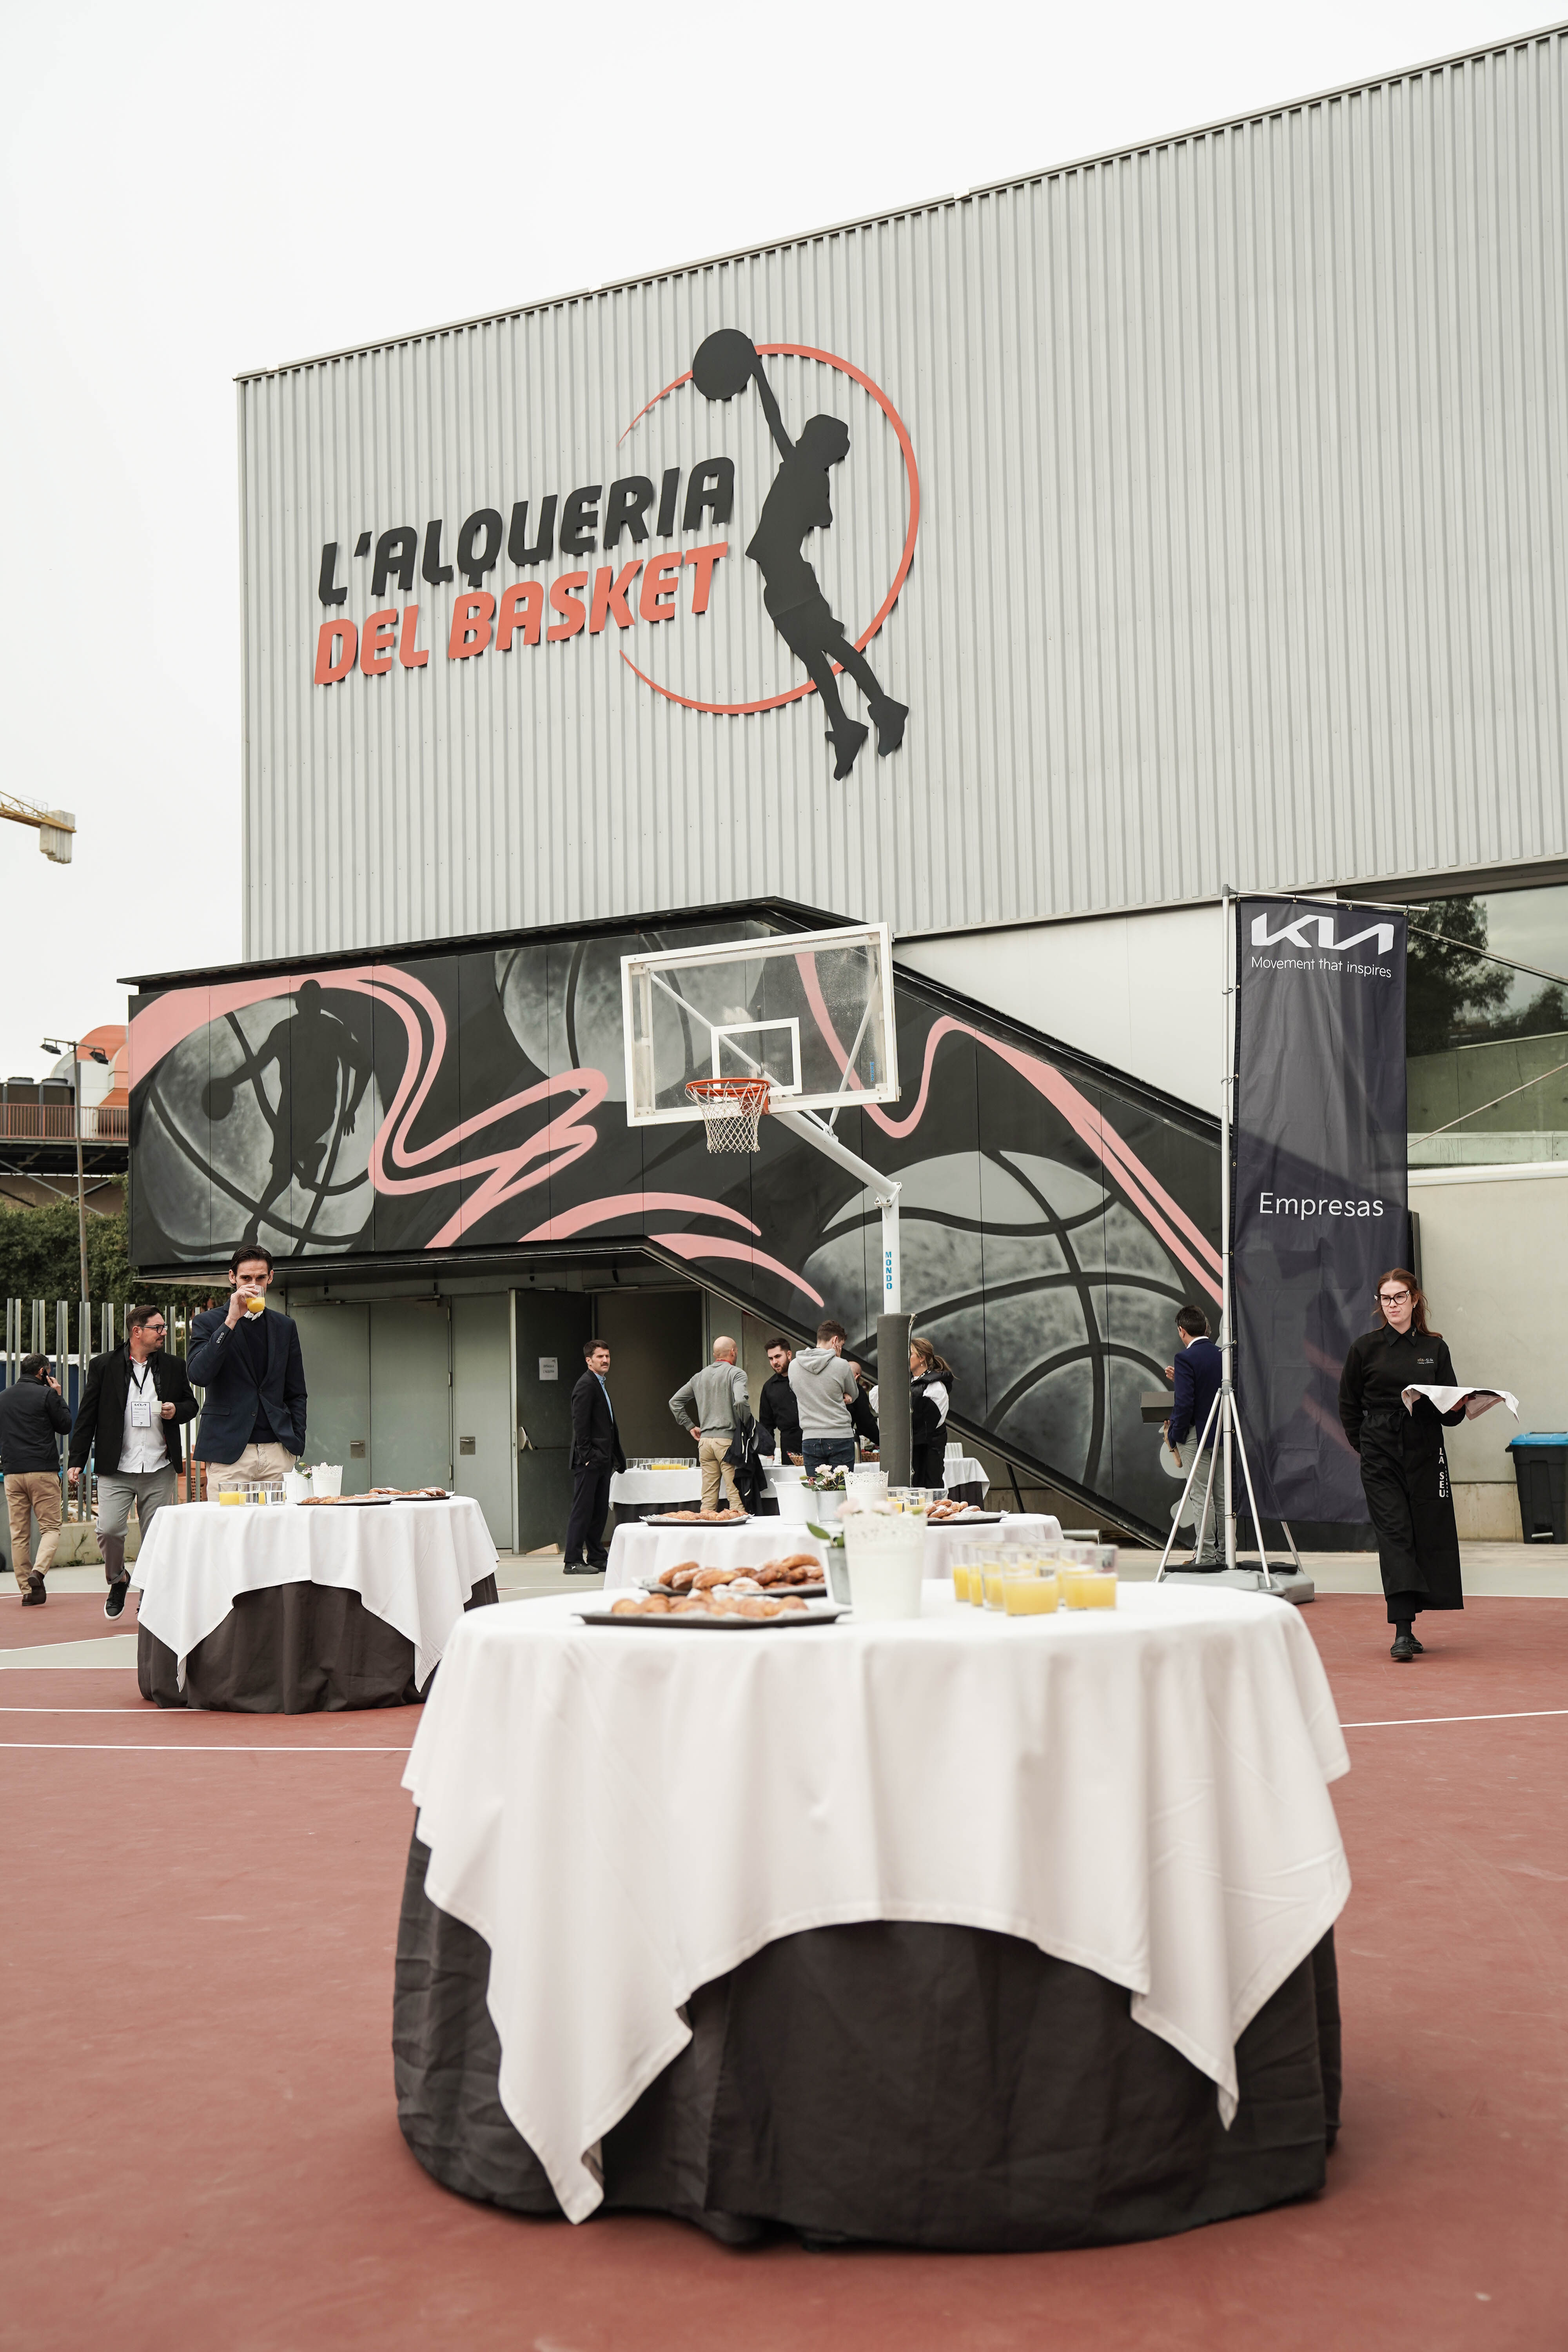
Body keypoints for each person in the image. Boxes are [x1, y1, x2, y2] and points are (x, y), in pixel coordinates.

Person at [1339, 1268, 1468, 1662]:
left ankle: (1414, 1619)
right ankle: (1402, 1630)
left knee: (1424, 1532)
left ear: (1415, 1300)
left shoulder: (1435, 1348)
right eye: (1385, 1298)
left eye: (1398, 1297)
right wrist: (1367, 1445)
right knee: (1394, 1534)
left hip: (1425, 1452)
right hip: (1380, 1453)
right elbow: (1348, 1405)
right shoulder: (1365, 1348)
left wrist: (1460, 1407)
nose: (1391, 1305)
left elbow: (1451, 1414)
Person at [69, 1307, 198, 1620]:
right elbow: (87, 1414)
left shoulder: (173, 1366)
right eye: (158, 1327)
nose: (164, 1332)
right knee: (109, 1529)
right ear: (137, 1331)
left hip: (159, 1465)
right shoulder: (104, 1366)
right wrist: (77, 1460)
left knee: (155, 1535)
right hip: (117, 1466)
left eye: (164, 1327)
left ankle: (150, 1594)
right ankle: (118, 1580)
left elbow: (191, 1404)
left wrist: (174, 1411)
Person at [186, 1245, 308, 1492]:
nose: (253, 1285)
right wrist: (230, 1321)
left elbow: (296, 1391)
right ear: (233, 1278)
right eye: (246, 1278)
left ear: (270, 1278)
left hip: (278, 1452)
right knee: (228, 1530)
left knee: (279, 1530)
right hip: (229, 1453)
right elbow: (198, 1374)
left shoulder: (285, 1326)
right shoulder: (208, 1322)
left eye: (260, 1278)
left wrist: (296, 1442)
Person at [0, 1354, 73, 1604]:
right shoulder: (47, 1395)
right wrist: (58, 1394)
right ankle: (38, 1572)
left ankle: (28, 1592)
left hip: (12, 1473)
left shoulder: (3, 1398)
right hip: (42, 1471)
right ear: (43, 1372)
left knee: (19, 1534)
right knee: (51, 1528)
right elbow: (65, 1425)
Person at [1165, 1305, 1223, 1568]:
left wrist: (1174, 1435)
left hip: (1195, 1437)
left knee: (1201, 1496)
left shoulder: (1185, 1359)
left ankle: (1205, 1555)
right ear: (1206, 1328)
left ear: (1182, 1331)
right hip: (1222, 1434)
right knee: (1222, 1497)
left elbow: (1185, 1404)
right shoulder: (1221, 1355)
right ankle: (1224, 1555)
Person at [564, 1339, 624, 1573]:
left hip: (602, 1460)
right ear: (589, 1361)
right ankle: (573, 1561)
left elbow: (607, 1425)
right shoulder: (586, 1385)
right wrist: (588, 1455)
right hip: (589, 1460)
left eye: (607, 1356)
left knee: (598, 1511)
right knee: (583, 1510)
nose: (606, 1360)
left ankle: (597, 1557)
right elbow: (580, 1424)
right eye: (600, 1357)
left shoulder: (599, 1384)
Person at [669, 1338, 749, 1513]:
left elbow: (675, 1402)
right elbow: (741, 1401)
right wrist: (747, 1424)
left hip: (705, 1443)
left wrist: (690, 1426)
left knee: (708, 1502)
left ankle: (706, 1536)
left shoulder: (699, 1377)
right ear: (734, 1352)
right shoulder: (737, 1374)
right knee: (735, 1499)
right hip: (728, 1443)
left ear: (714, 1355)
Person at [789, 1319, 860, 1476]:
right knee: (842, 1491)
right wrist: (842, 1395)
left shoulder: (794, 1366)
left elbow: (796, 1391)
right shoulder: (841, 1365)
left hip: (810, 1437)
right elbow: (854, 1394)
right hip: (840, 1435)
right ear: (835, 1340)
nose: (841, 1349)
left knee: (817, 1492)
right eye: (841, 1345)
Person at [757, 1338, 804, 1467]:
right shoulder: (769, 1387)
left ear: (789, 1355)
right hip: (789, 1442)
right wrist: (768, 1451)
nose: (775, 1362)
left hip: (813, 1436)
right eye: (771, 1359)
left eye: (778, 1356)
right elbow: (766, 1424)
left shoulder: (806, 1377)